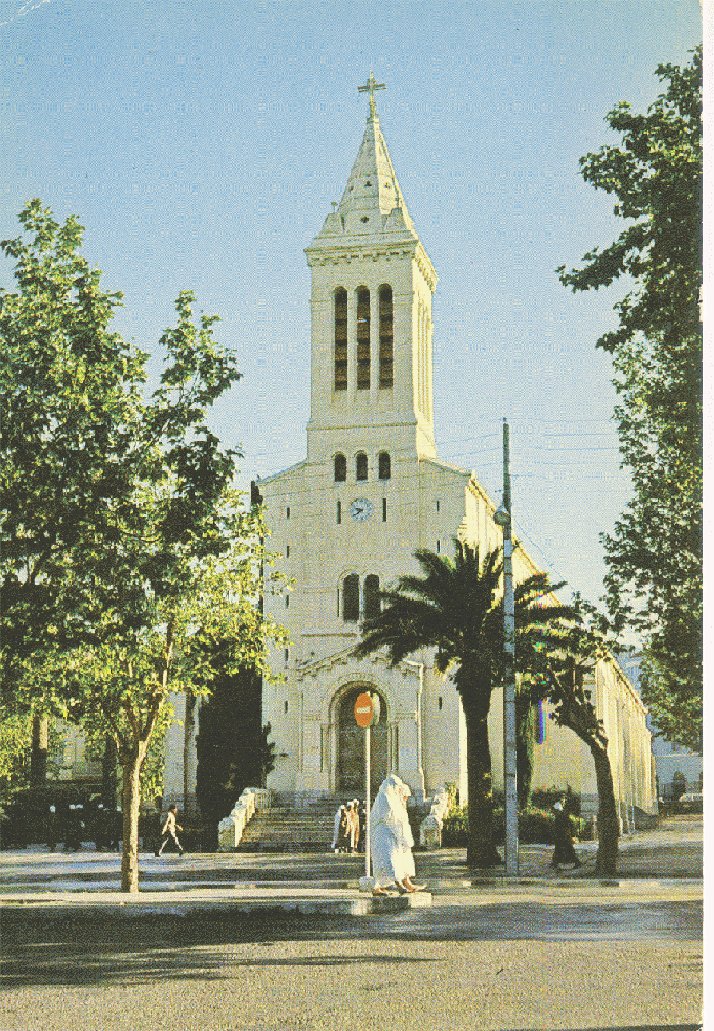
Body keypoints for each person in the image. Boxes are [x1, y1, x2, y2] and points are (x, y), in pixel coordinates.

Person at [370, 774, 425, 895]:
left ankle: (407, 883)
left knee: (399, 858)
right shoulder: (384, 798)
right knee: (388, 860)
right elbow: (388, 817)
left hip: (393, 833)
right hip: (383, 833)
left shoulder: (394, 800)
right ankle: (395, 886)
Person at [550, 796, 581, 870]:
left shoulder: (562, 808)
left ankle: (558, 862)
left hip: (563, 831)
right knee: (564, 847)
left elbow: (566, 820)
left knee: (566, 847)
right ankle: (556, 862)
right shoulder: (558, 806)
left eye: (564, 799)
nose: (564, 800)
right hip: (562, 831)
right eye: (563, 799)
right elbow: (562, 818)